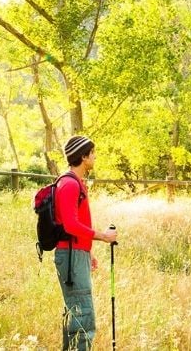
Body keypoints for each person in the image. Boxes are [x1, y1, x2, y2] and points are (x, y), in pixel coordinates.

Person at [54, 135, 117, 350]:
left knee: (76, 313)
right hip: (71, 256)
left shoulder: (75, 183)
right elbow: (70, 225)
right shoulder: (70, 184)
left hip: (75, 253)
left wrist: (86, 250)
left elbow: (73, 224)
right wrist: (103, 236)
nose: (95, 157)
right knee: (83, 319)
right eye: (92, 153)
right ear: (83, 156)